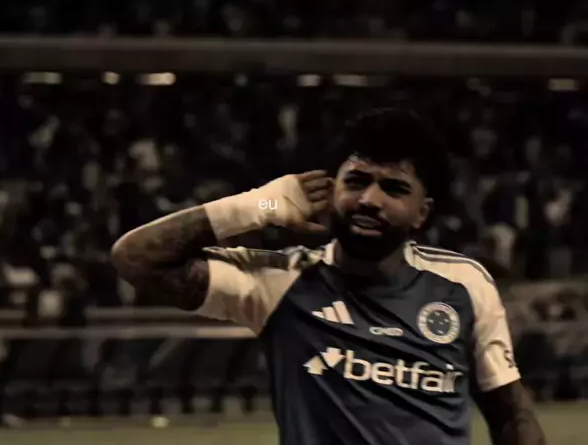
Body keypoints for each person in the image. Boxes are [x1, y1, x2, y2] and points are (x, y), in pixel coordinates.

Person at [111, 109, 546, 445]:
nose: (369, 199)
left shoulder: (464, 284)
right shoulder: (279, 283)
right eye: (356, 181)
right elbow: (137, 259)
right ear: (331, 189)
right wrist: (257, 206)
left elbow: (511, 414)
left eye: (394, 188)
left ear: (422, 212)